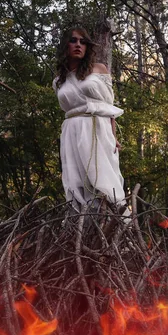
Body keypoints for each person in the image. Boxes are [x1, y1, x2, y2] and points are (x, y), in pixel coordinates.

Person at [53, 27, 126, 210]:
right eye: (73, 40)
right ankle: (82, 227)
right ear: (65, 46)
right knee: (76, 180)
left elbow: (109, 106)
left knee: (103, 179)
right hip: (71, 131)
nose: (78, 45)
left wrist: (113, 136)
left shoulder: (99, 70)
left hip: (96, 128)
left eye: (83, 42)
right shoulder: (58, 81)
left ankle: (111, 223)